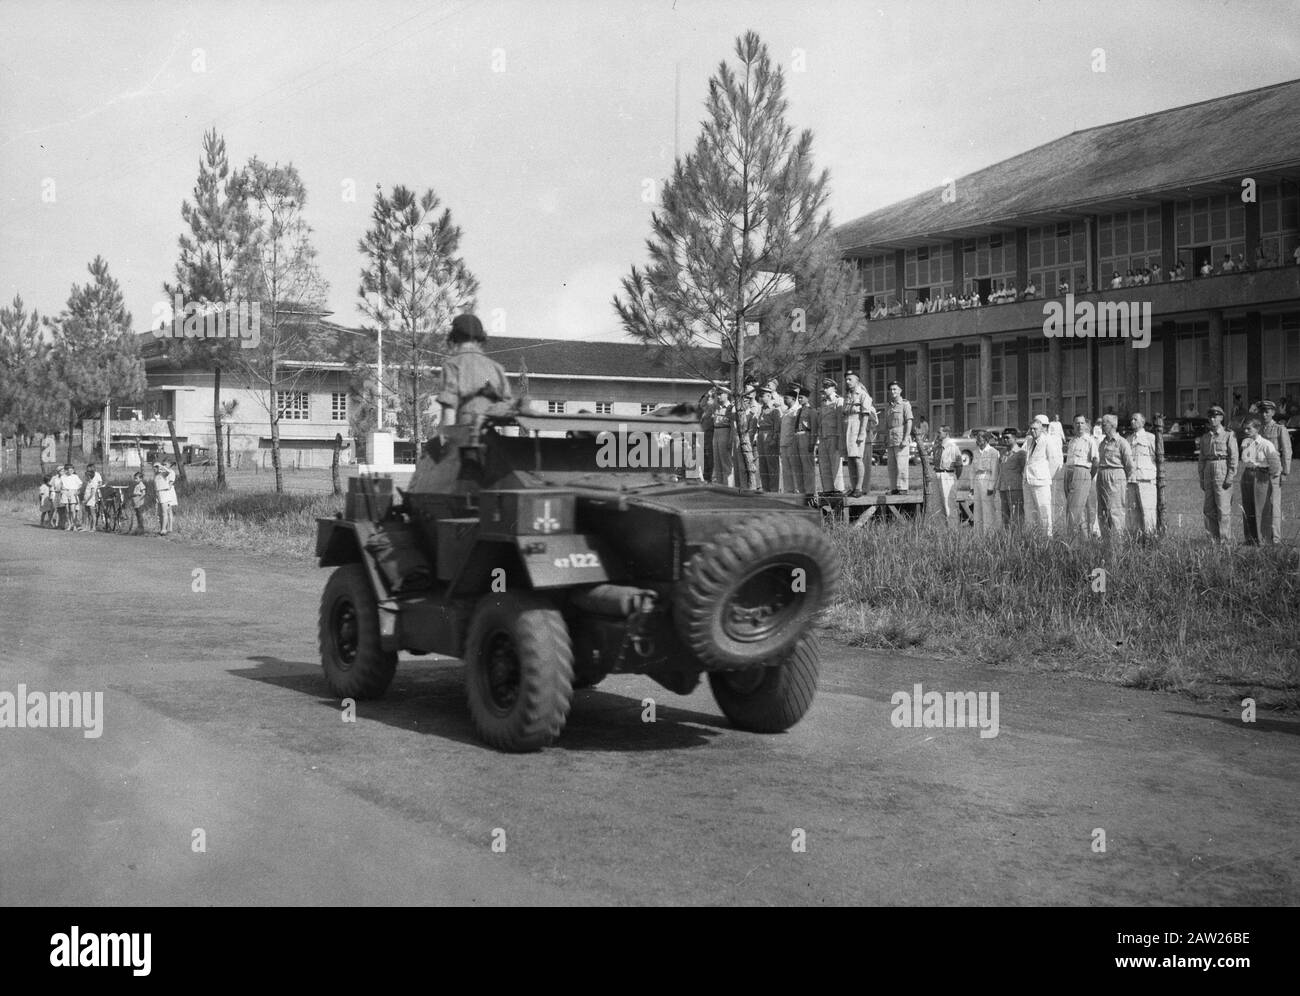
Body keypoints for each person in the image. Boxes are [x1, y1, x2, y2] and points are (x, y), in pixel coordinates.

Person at [436, 313, 513, 431]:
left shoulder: (452, 365)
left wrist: (445, 442)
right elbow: (507, 411)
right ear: (480, 338)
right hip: (490, 435)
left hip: (463, 433)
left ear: (454, 337)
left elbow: (449, 412)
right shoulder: (496, 368)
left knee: (432, 446)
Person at [1238, 417, 1283, 545]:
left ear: (1257, 429)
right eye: (1244, 428)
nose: (1246, 431)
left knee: (1262, 508)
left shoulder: (1266, 444)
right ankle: (1250, 538)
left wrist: (1268, 477)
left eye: (1249, 428)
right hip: (1247, 475)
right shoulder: (1246, 443)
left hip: (1261, 475)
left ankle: (1263, 539)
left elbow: (1275, 464)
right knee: (1248, 507)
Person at [1198, 404, 1238, 544]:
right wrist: (1202, 478)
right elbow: (1202, 458)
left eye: (1215, 416)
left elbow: (1233, 457)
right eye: (1210, 417)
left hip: (1222, 467)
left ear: (1221, 418)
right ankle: (1213, 539)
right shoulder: (1205, 437)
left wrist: (1230, 476)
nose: (1212, 419)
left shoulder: (1228, 435)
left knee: (1223, 507)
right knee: (1208, 508)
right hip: (1209, 468)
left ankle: (1225, 540)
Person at [1257, 399, 1292, 544]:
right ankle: (1265, 537)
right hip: (1260, 470)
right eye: (1262, 412)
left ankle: (1276, 538)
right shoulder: (1258, 429)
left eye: (1267, 412)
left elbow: (1287, 450)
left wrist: (1285, 472)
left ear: (1273, 412)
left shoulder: (1279, 429)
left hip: (1275, 470)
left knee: (1274, 503)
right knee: (1262, 504)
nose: (1264, 415)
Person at [1095, 414, 1134, 540]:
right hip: (1102, 476)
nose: (1102, 426)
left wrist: (1121, 480)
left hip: (1116, 476)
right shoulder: (1102, 443)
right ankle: (1106, 543)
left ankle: (1117, 545)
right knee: (1102, 511)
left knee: (1115, 511)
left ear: (1113, 425)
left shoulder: (1122, 442)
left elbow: (1129, 465)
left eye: (1104, 423)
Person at [1022, 414, 1062, 535]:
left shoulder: (1048, 440)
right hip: (1028, 481)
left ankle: (1047, 538)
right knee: (1029, 512)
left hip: (1041, 482)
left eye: (1036, 429)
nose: (1033, 431)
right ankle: (1032, 538)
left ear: (1042, 429)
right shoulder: (1028, 441)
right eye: (1032, 428)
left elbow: (1054, 462)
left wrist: (1045, 476)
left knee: (1044, 512)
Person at [1063, 415, 1099, 537]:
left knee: (1076, 509)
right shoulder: (1072, 441)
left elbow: (1096, 462)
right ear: (1073, 425)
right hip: (1069, 472)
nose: (1080, 426)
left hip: (1082, 471)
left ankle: (1074, 541)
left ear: (1086, 425)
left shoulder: (1089, 440)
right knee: (1073, 507)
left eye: (1082, 423)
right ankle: (1079, 539)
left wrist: (1087, 476)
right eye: (1077, 423)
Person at [842, 371, 875, 497]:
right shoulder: (848, 395)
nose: (847, 382)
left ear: (857, 380)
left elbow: (865, 415)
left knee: (857, 458)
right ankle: (853, 486)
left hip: (857, 426)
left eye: (850, 379)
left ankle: (859, 488)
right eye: (846, 379)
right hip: (848, 427)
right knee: (850, 459)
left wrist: (862, 433)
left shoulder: (862, 395)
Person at [1126, 413, 1158, 537]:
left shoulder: (1150, 438)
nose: (1132, 421)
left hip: (1146, 479)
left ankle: (1150, 538)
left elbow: (1158, 458)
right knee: (1133, 511)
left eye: (1136, 419)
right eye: (1131, 419)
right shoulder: (1128, 439)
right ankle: (1136, 539)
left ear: (1143, 422)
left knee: (1148, 510)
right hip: (1132, 479)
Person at [813, 378, 845, 493]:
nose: (825, 389)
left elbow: (840, 421)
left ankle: (838, 489)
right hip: (823, 437)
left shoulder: (839, 401)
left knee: (835, 463)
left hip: (834, 436)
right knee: (824, 464)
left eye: (827, 387)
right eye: (824, 387)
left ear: (834, 388)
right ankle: (828, 489)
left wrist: (840, 438)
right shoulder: (823, 402)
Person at [882, 381, 914, 494]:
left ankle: (903, 488)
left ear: (900, 390)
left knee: (902, 464)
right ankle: (894, 488)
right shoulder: (889, 406)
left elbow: (909, 422)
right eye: (891, 389)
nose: (892, 391)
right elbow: (887, 423)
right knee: (891, 466)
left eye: (895, 389)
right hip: (891, 439)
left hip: (901, 438)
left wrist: (906, 438)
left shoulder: (905, 404)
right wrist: (885, 437)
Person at [970, 430, 1000, 533]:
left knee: (987, 508)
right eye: (977, 439)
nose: (978, 441)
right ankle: (978, 534)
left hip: (987, 479)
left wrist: (991, 487)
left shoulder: (993, 452)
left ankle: (989, 533)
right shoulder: (975, 452)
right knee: (977, 508)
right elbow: (972, 470)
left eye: (980, 439)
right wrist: (972, 487)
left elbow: (995, 471)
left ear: (986, 439)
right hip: (977, 479)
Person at [932, 425, 962, 525]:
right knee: (937, 505)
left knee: (948, 505)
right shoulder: (937, 447)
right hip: (937, 475)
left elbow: (959, 466)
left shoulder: (953, 448)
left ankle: (953, 530)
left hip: (948, 475)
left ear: (946, 433)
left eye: (939, 432)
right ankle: (941, 531)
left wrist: (953, 478)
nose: (938, 434)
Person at [996, 429, 1026, 527]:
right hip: (1003, 487)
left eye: (1008, 438)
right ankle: (1007, 540)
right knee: (1005, 516)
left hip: (1015, 488)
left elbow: (1023, 470)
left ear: (1015, 438)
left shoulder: (1020, 453)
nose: (1005, 440)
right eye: (1004, 438)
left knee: (1016, 515)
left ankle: (1017, 539)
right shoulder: (1003, 452)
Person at [736, 382, 761, 491]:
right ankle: (744, 489)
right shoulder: (743, 406)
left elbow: (755, 427)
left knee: (754, 468)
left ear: (754, 394)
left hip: (753, 442)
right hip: (743, 441)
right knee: (742, 467)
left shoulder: (757, 407)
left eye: (749, 392)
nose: (747, 395)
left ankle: (756, 489)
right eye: (746, 392)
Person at [756, 386, 781, 492]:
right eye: (760, 395)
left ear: (769, 396)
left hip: (769, 436)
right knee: (763, 465)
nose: (761, 398)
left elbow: (777, 427)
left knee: (772, 465)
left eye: (763, 395)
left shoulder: (775, 409)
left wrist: (774, 439)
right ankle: (766, 489)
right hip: (761, 435)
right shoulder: (762, 409)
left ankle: (774, 490)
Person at [711, 386, 735, 487]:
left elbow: (733, 426)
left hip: (725, 432)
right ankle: (720, 487)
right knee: (717, 463)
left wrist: (730, 440)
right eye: (717, 394)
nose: (718, 396)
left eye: (720, 394)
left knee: (726, 463)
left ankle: (729, 487)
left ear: (727, 395)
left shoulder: (730, 408)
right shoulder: (716, 408)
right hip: (716, 433)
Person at [794, 386, 815, 495]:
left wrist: (812, 442)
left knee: (807, 466)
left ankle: (810, 491)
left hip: (806, 436)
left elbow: (814, 428)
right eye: (799, 398)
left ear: (808, 398)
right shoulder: (798, 411)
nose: (800, 400)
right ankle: (802, 491)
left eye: (802, 397)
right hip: (797, 436)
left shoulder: (811, 411)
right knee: (798, 466)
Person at [778, 386, 799, 493]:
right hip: (784, 443)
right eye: (784, 398)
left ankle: (797, 491)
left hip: (792, 443)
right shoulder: (786, 411)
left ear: (793, 399)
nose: (785, 400)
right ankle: (788, 491)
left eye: (787, 398)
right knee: (786, 470)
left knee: (795, 469)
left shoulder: (796, 411)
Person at [153, 461, 176, 535]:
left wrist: (161, 466)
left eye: (156, 467)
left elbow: (168, 471)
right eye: (154, 467)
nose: (155, 468)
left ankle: (164, 529)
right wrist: (156, 495)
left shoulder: (163, 474)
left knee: (164, 512)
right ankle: (161, 528)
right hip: (159, 494)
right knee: (160, 513)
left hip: (165, 494)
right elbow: (156, 487)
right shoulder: (155, 476)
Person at [699, 388, 716, 484]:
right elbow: (701, 404)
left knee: (710, 458)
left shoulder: (713, 409)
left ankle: (709, 478)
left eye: (710, 399)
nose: (707, 400)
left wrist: (711, 394)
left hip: (710, 435)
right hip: (704, 436)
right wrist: (707, 395)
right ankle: (706, 477)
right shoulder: (706, 411)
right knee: (704, 457)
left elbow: (703, 404)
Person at [82, 462, 103, 532]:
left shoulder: (94, 480)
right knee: (87, 513)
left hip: (91, 500)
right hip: (87, 499)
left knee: (92, 513)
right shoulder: (89, 483)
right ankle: (87, 526)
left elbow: (92, 493)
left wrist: (87, 500)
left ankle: (93, 527)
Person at [61, 464, 82, 531]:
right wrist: (62, 490)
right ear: (66, 470)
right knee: (67, 510)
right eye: (70, 470)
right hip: (65, 492)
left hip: (73, 492)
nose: (71, 471)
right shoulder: (63, 477)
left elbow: (80, 484)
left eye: (72, 470)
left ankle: (74, 525)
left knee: (72, 510)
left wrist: (77, 490)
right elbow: (61, 485)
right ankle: (69, 524)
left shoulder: (75, 476)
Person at [130, 471, 148, 535]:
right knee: (137, 515)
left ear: (140, 479)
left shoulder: (141, 485)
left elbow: (143, 493)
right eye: (134, 478)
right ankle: (138, 529)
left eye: (136, 478)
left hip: (139, 503)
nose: (135, 480)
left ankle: (141, 529)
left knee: (140, 516)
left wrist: (139, 498)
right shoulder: (137, 485)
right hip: (136, 503)